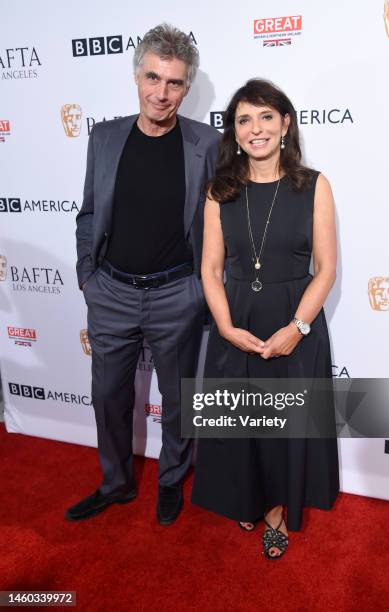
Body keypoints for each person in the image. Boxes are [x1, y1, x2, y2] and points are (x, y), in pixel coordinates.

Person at [67, 24, 220, 524]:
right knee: (107, 397)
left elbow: (223, 224)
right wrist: (88, 276)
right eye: (153, 77)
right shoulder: (105, 136)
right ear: (136, 76)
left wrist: (201, 288)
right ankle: (115, 483)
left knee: (178, 401)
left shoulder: (207, 143)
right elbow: (89, 212)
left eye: (174, 83)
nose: (161, 93)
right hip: (110, 291)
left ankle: (172, 481)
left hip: (178, 293)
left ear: (187, 87)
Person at [191, 79, 339, 559]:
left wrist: (297, 329)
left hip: (294, 321)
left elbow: (327, 269)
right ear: (233, 132)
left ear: (285, 124)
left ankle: (277, 512)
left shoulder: (313, 186)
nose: (255, 129)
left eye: (265, 117)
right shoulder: (219, 191)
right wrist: (226, 327)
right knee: (241, 423)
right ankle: (246, 497)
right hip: (235, 322)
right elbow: (210, 269)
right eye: (243, 120)